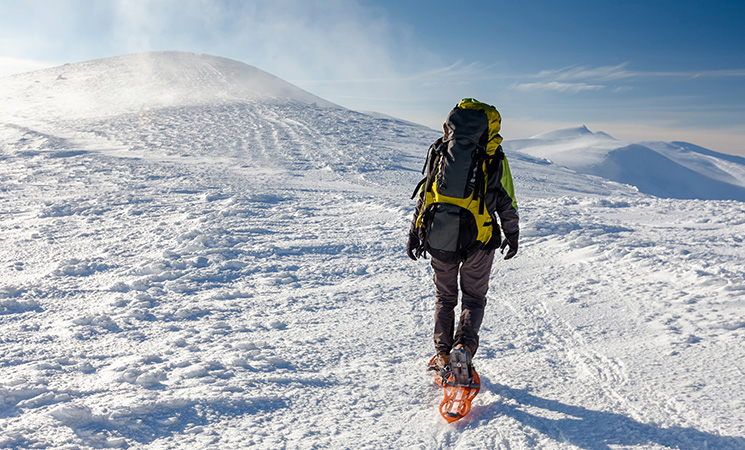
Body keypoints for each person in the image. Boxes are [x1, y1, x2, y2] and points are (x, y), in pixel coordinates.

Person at [407, 99, 519, 386]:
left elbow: (426, 193)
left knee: (445, 298)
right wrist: (512, 235)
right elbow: (507, 201)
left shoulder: (441, 150)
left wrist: (414, 231)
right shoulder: (494, 156)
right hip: (479, 238)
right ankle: (464, 349)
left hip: (440, 234)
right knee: (473, 298)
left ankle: (444, 356)